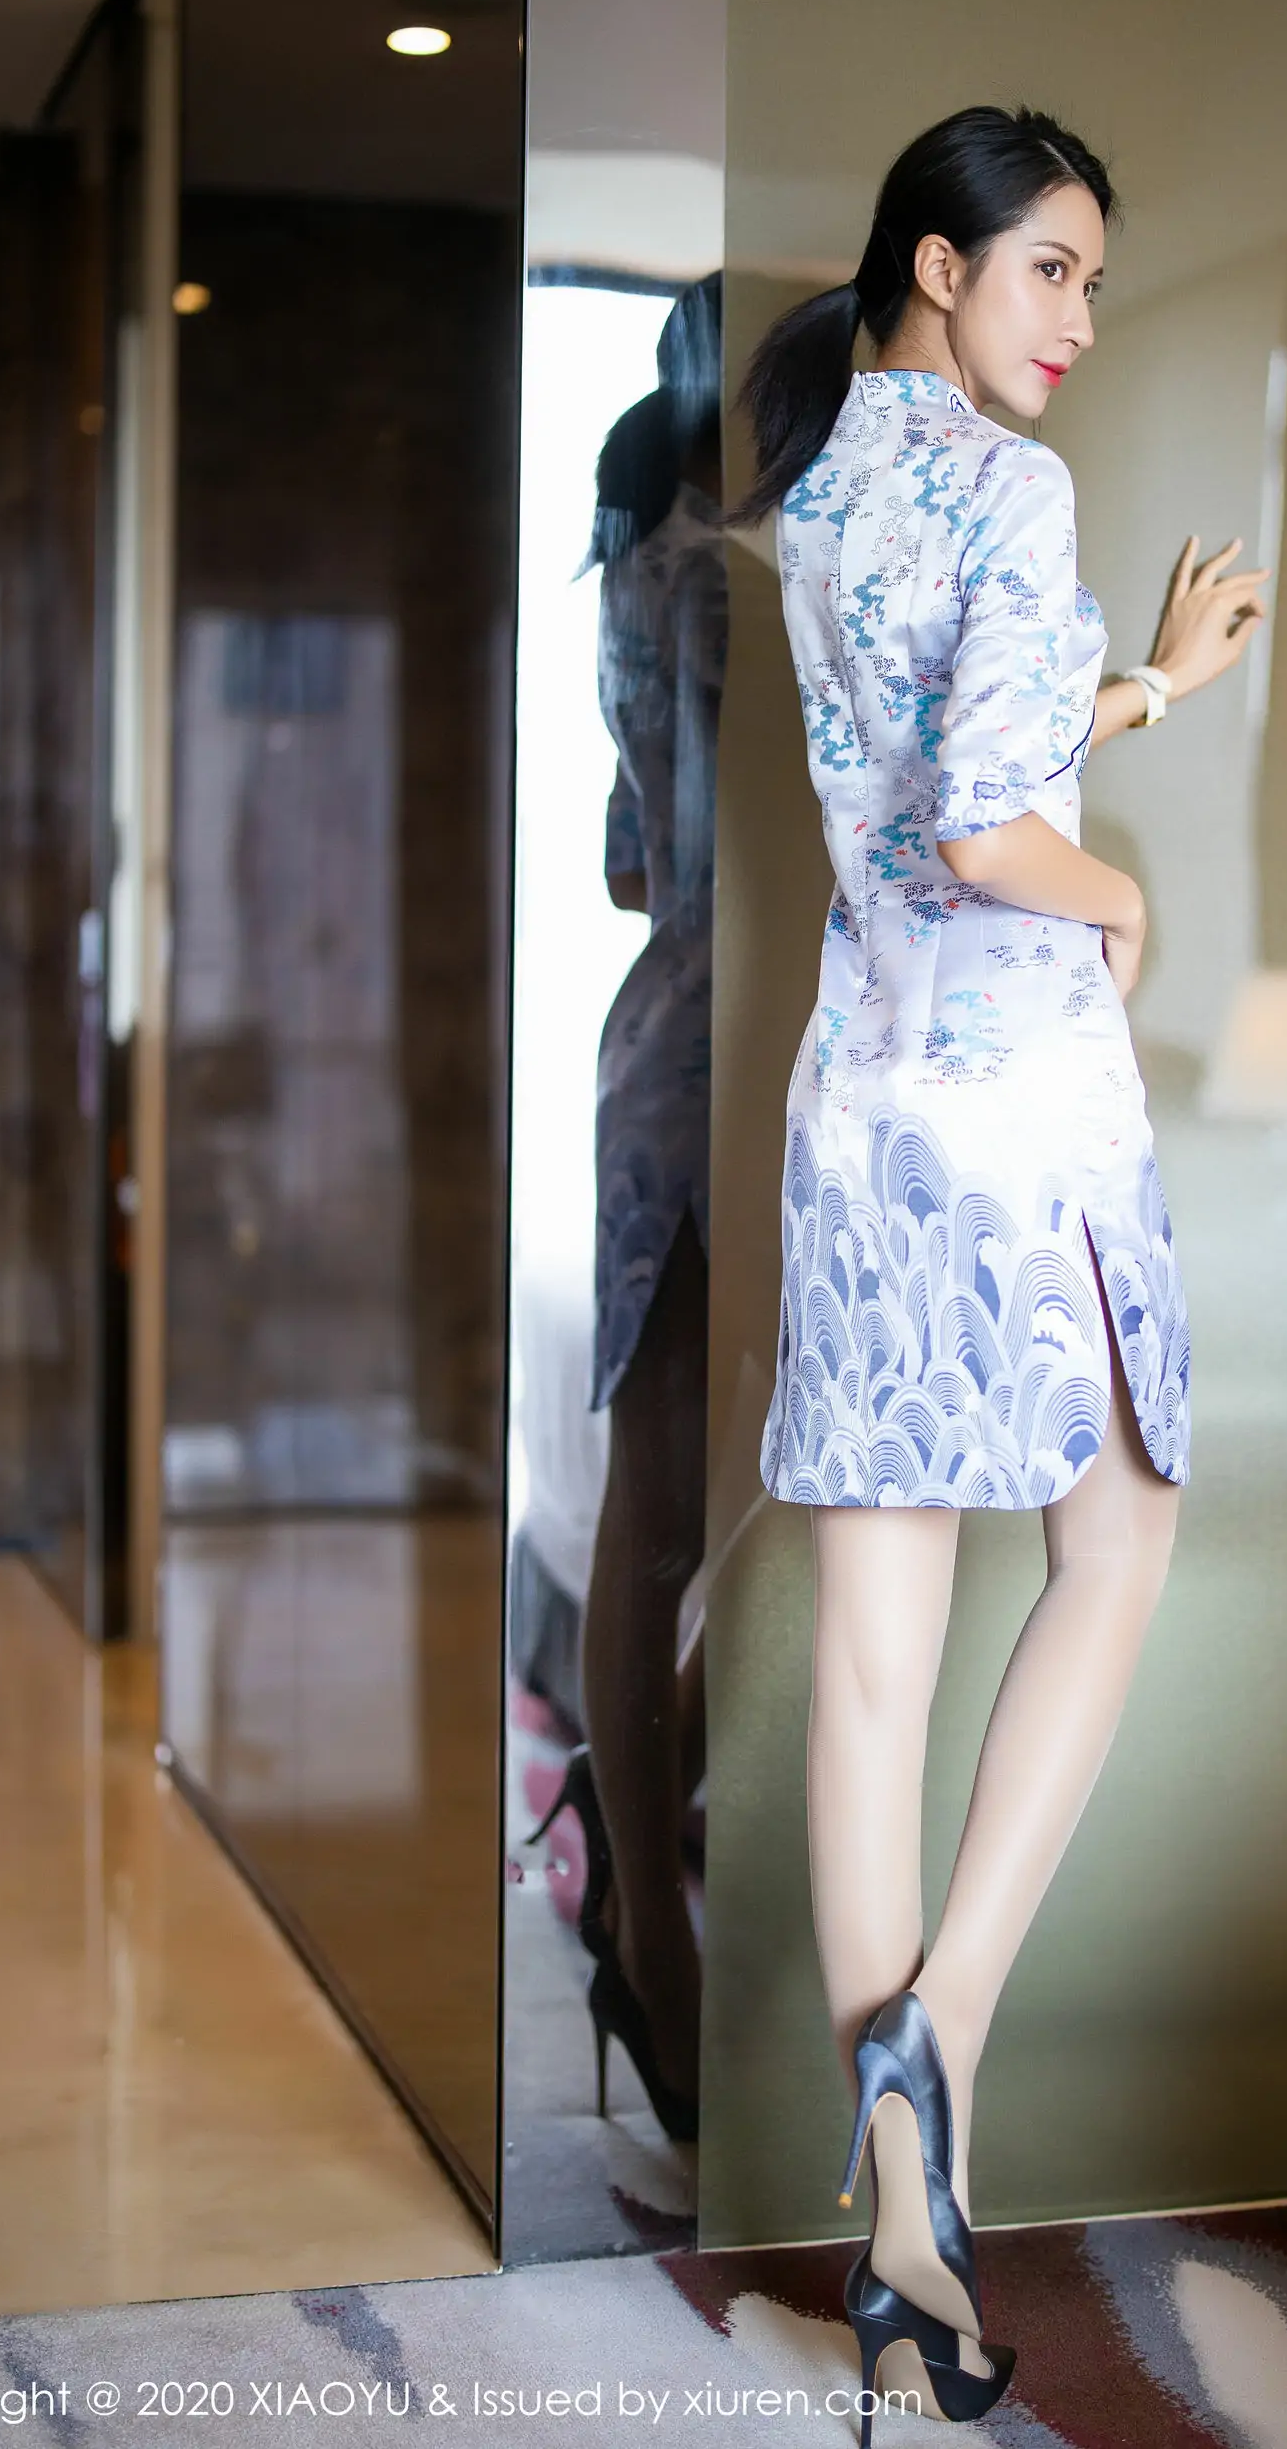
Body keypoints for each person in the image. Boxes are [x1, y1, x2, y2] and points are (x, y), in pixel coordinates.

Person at [732, 109, 1265, 2436]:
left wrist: (1147, 687)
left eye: (1093, 285)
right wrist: (1123, 894)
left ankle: (903, 2219)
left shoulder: (819, 489)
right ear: (940, 267)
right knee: (1118, 1541)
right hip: (1020, 1105)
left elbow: (951, 756)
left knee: (876, 1658)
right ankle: (938, 2043)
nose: (1078, 321)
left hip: (860, 1112)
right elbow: (988, 823)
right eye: (1051, 270)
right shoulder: (1009, 487)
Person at [543, 276, 725, 2144]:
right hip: (736, 1053)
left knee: (668, 1508)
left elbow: (624, 866)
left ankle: (632, 1812)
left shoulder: (639, 559)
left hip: (665, 1033)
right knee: (688, 1506)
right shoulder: (736, 568)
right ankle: (659, 1957)